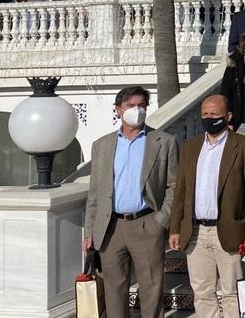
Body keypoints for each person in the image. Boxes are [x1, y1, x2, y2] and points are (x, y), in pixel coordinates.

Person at [83, 86, 177, 318]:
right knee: (114, 290)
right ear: (118, 110)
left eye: (141, 106)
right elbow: (95, 192)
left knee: (151, 288)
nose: (137, 110)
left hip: (146, 223)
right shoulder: (102, 145)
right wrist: (89, 231)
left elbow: (174, 185)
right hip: (111, 227)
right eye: (131, 106)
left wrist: (160, 221)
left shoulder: (163, 141)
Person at [168, 95, 245, 318]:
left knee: (232, 291)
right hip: (195, 232)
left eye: (215, 114)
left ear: (227, 116)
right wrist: (175, 228)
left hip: (230, 231)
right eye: (205, 115)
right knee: (202, 292)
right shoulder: (190, 147)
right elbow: (180, 191)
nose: (209, 119)